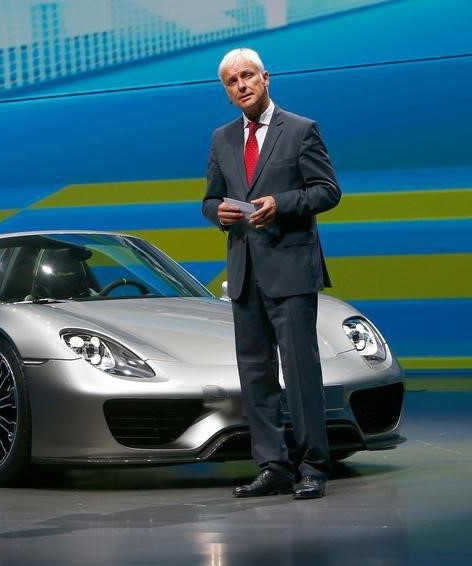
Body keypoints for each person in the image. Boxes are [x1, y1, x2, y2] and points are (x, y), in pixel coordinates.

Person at [202, 48, 341, 499]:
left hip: (291, 269)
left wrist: (280, 204)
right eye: (231, 81)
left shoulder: (300, 130)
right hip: (244, 272)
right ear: (226, 92)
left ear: (265, 79)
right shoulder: (222, 138)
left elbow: (327, 191)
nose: (240, 86)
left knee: (301, 375)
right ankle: (272, 466)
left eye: (247, 77)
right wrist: (216, 213)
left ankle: (313, 467)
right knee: (256, 376)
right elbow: (209, 199)